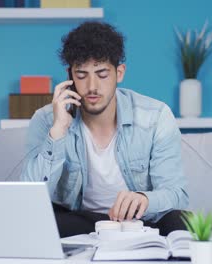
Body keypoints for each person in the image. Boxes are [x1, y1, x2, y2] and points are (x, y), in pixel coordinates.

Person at [21, 21, 189, 237]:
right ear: (70, 75)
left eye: (102, 74)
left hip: (140, 223)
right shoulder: (46, 119)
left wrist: (144, 199)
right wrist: (58, 131)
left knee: (181, 220)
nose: (92, 87)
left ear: (119, 73)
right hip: (81, 221)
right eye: (81, 75)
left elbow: (177, 194)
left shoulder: (156, 116)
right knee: (40, 221)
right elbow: (29, 199)